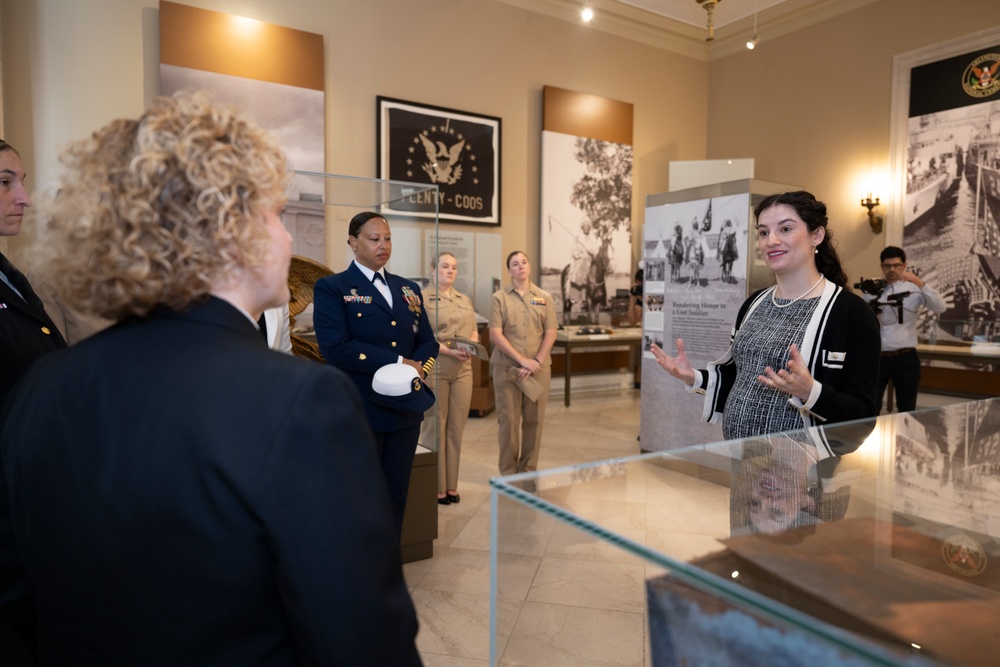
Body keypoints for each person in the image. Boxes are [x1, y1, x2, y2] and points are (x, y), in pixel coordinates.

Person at [0, 93, 420, 665]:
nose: (289, 239)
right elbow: (364, 640)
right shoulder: (298, 403)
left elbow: (20, 599)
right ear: (229, 230)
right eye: (274, 214)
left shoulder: (42, 389)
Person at [651, 190, 880, 440]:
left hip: (805, 466)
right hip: (743, 454)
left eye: (785, 229)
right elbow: (741, 378)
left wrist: (811, 392)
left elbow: (864, 411)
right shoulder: (754, 303)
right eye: (763, 232)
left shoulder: (852, 313)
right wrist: (692, 376)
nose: (771, 241)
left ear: (817, 235)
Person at [313, 211, 438, 532]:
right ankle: (358, 570)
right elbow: (336, 347)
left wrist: (419, 370)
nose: (383, 245)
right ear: (353, 243)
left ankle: (386, 568)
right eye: (374, 239)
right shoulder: (333, 287)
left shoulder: (408, 289)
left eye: (387, 238)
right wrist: (398, 363)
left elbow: (428, 342)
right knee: (359, 496)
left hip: (405, 409)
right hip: (361, 408)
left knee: (396, 495)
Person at [0, 140, 67, 411]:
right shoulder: (44, 279)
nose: (25, 198)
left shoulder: (11, 277)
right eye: (5, 182)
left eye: (22, 182)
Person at [489, 251, 558, 475]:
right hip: (507, 370)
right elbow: (496, 335)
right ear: (509, 270)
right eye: (515, 264)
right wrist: (523, 361)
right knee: (508, 423)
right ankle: (508, 474)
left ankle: (528, 473)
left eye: (524, 262)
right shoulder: (499, 298)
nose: (521, 266)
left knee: (534, 422)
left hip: (538, 370)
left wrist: (536, 361)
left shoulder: (544, 297)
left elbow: (551, 331)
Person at [420, 252, 478, 505]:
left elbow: (474, 329)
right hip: (437, 365)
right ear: (433, 269)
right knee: (435, 427)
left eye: (454, 267)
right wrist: (449, 350)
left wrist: (472, 345)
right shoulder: (422, 298)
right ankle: (434, 486)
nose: (450, 271)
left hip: (463, 368)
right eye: (445, 266)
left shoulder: (464, 299)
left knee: (455, 428)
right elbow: (423, 337)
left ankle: (451, 486)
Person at [864, 245, 947, 413]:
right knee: (871, 407)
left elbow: (940, 307)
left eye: (897, 265)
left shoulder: (914, 289)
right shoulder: (872, 291)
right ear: (882, 267)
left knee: (907, 409)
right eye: (888, 266)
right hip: (877, 357)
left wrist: (919, 282)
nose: (892, 269)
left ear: (904, 266)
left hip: (906, 357)